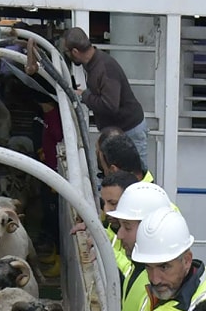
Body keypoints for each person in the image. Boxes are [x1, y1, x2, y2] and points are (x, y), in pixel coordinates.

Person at [61, 28, 148, 167]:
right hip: (122, 129)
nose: (68, 56)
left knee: (137, 174)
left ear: (75, 52)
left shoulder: (104, 67)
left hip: (130, 129)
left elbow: (110, 105)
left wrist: (85, 96)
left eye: (67, 52)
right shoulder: (95, 63)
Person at [98, 169, 143, 281]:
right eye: (103, 203)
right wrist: (93, 231)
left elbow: (132, 274)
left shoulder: (147, 234)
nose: (106, 210)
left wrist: (103, 250)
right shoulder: (111, 227)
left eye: (113, 203)